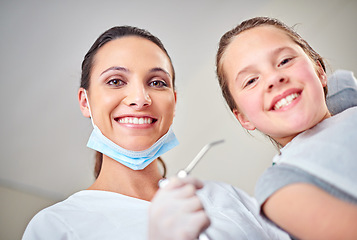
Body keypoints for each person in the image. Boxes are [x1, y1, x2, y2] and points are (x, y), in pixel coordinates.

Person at [22, 25, 290, 240]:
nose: (140, 98)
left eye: (156, 82)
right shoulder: (55, 226)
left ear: (174, 101)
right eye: (116, 81)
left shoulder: (227, 198)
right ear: (85, 101)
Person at [215, 17, 357, 239]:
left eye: (284, 61)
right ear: (243, 118)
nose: (274, 78)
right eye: (251, 80)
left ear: (320, 72)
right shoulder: (278, 186)